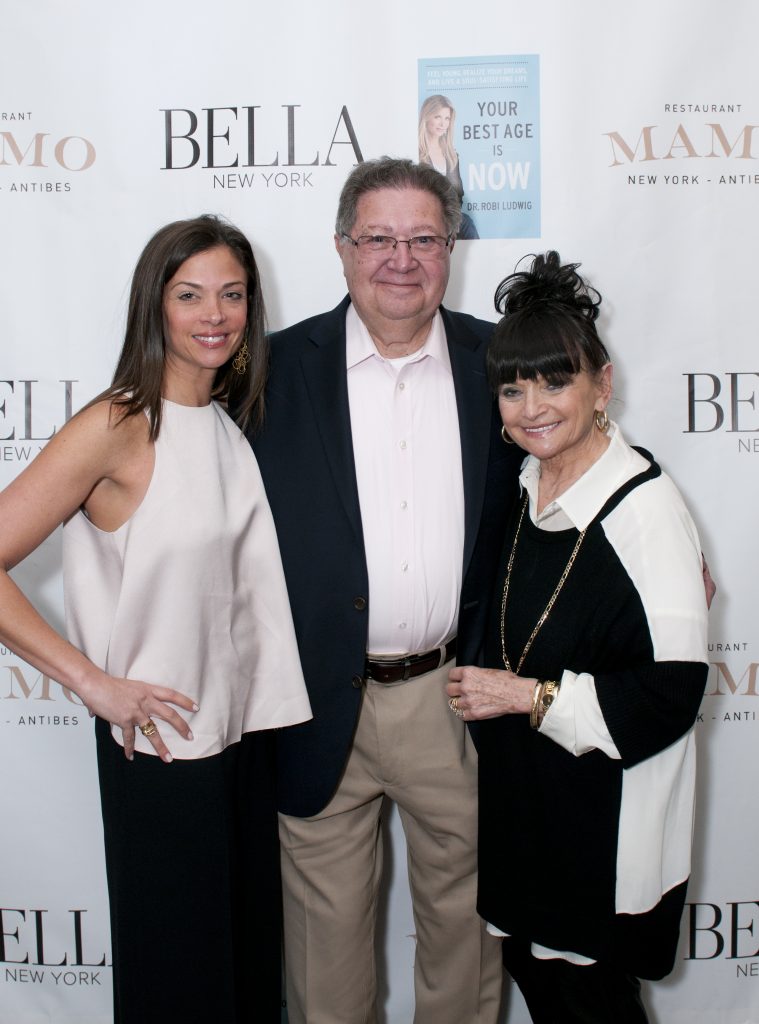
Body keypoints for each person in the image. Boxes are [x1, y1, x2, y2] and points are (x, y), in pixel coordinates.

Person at [0, 215, 311, 1023]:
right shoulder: (118, 424)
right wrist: (91, 683)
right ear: (156, 305)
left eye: (232, 294)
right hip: (164, 753)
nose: (214, 313)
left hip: (243, 747)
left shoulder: (228, 423)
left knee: (244, 983)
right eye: (190, 294)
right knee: (180, 989)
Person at [249, 158, 522, 1023]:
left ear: (450, 250)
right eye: (377, 238)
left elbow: (587, 448)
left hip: (458, 697)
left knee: (468, 940)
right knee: (323, 959)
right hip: (316, 701)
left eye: (422, 239)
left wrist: (659, 549)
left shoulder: (501, 361)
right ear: (341, 248)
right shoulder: (267, 372)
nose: (399, 258)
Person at [446, 251, 709, 1023]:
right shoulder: (527, 481)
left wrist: (524, 695)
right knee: (544, 993)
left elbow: (671, 692)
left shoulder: (644, 511)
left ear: (602, 384)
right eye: (512, 386)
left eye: (555, 381)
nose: (531, 406)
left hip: (601, 827)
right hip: (529, 810)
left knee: (590, 1005)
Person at [418, 94, 479, 240]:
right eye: (437, 117)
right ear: (427, 116)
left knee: (467, 224)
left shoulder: (452, 155)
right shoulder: (417, 154)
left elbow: (459, 194)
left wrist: (452, 216)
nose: (443, 123)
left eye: (447, 118)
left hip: (449, 217)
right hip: (423, 217)